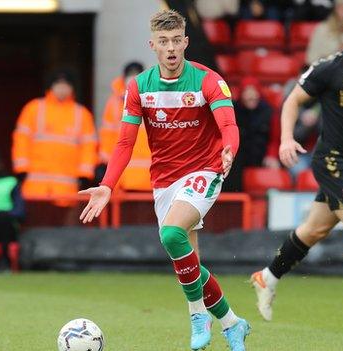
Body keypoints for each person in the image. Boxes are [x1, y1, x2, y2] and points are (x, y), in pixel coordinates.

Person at [79, 9, 250, 351]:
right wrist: (108, 184)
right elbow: (125, 142)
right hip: (165, 180)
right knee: (188, 260)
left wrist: (228, 150)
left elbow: (229, 126)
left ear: (185, 42)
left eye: (176, 41)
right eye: (163, 42)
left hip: (205, 170)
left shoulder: (208, 81)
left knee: (171, 234)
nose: (171, 48)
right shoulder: (139, 87)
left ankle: (197, 316)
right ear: (152, 46)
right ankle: (232, 323)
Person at [250, 3, 343, 333]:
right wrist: (286, 140)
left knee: (315, 230)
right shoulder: (330, 68)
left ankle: (267, 277)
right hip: (331, 160)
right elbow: (292, 101)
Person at [12, 70, 98, 205]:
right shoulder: (33, 108)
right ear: (51, 86)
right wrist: (21, 170)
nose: (62, 88)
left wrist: (85, 175)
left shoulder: (82, 114)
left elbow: (89, 147)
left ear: (72, 87)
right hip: (35, 186)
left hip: (67, 187)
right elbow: (21, 140)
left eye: (66, 84)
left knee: (63, 225)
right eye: (58, 84)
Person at [98, 61, 152, 191]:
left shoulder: (154, 99)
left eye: (136, 74)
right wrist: (106, 167)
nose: (132, 78)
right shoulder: (114, 103)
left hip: (151, 176)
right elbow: (107, 136)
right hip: (123, 178)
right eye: (130, 75)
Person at [225, 76, 274, 192]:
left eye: (254, 92)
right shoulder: (233, 110)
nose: (251, 96)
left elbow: (275, 138)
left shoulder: (268, 111)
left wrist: (272, 155)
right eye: (247, 93)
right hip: (238, 156)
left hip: (262, 154)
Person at [305, 0, 343, 65]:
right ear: (335, 9)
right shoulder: (322, 29)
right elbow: (310, 59)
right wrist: (336, 52)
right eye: (341, 7)